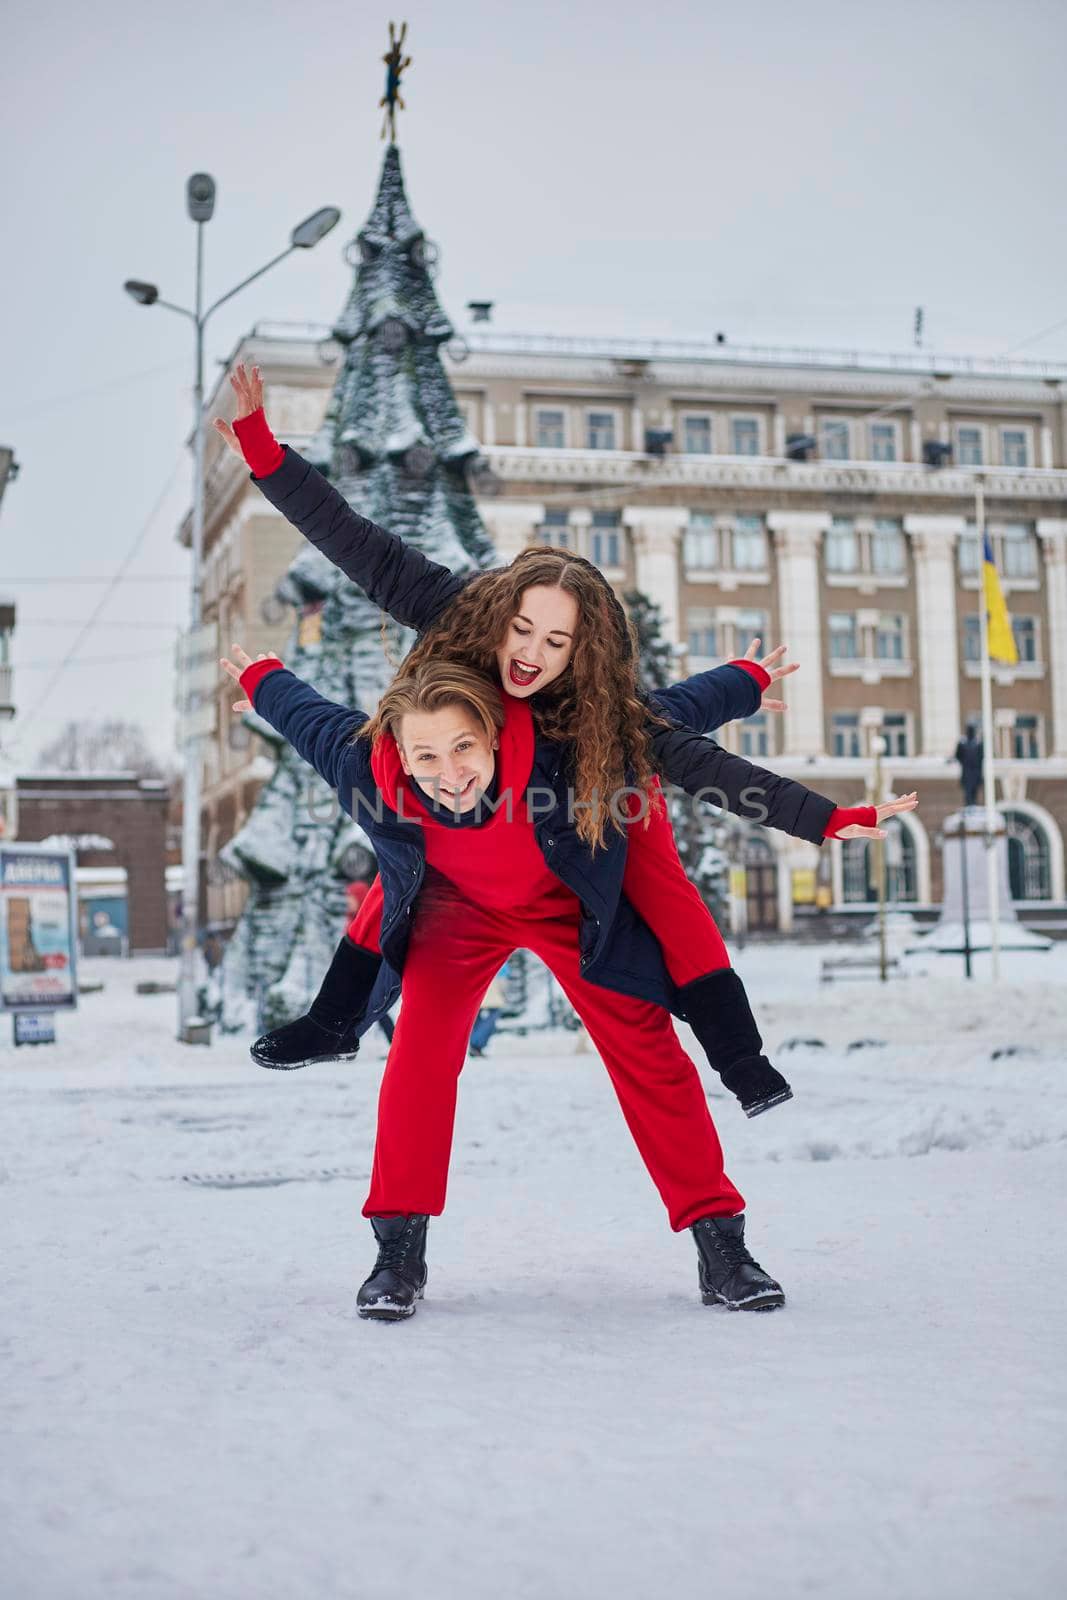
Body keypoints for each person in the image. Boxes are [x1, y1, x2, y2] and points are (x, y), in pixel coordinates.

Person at [214, 365, 916, 1118]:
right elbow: (356, 544)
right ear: (501, 609)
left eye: (554, 641)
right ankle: (334, 1021)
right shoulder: (451, 609)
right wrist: (264, 454)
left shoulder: (594, 706)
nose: (529, 653)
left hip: (570, 821)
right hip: (461, 806)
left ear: (578, 648)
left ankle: (740, 1061)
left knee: (667, 894)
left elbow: (681, 742)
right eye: (521, 629)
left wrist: (817, 812)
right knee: (402, 850)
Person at [221, 646, 790, 1319]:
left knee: (650, 1052)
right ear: (398, 754)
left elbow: (658, 715)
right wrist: (262, 680)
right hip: (455, 908)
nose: (449, 772)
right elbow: (310, 718)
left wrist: (744, 681)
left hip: (571, 905)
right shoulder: (365, 765)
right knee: (417, 1057)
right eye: (425, 756)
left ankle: (719, 1242)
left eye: (463, 746)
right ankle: (397, 1249)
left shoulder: (565, 747)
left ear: (493, 732)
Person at [468, 959, 511, 1057]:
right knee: (490, 1020)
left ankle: (475, 1044)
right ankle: (476, 1044)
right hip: (493, 995)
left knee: (477, 1020)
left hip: (478, 995)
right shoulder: (502, 961)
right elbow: (503, 982)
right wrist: (504, 994)